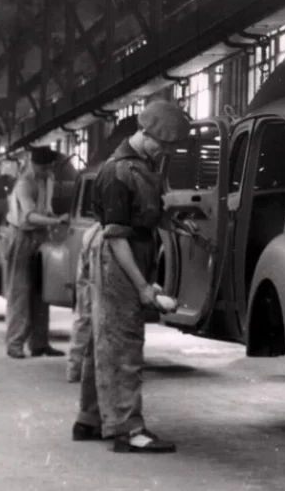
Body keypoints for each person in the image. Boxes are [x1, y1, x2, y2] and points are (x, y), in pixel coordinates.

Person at [73, 100, 188, 454]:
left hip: (133, 250)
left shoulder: (144, 166)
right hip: (118, 257)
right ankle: (128, 430)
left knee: (104, 338)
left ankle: (90, 419)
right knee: (123, 342)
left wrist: (172, 217)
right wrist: (142, 286)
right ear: (147, 133)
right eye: (164, 145)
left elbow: (143, 215)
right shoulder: (117, 172)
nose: (166, 152)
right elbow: (116, 237)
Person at [3, 146, 69, 359]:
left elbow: (45, 209)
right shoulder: (24, 183)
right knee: (20, 292)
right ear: (36, 164)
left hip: (41, 237)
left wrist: (55, 217)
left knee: (41, 291)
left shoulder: (47, 179)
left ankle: (39, 343)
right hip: (22, 237)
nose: (50, 170)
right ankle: (15, 343)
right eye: (46, 167)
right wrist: (55, 221)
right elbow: (29, 217)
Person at [67, 221, 101, 383]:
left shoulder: (92, 233)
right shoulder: (98, 235)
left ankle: (75, 367)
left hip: (88, 271)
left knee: (84, 317)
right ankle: (77, 368)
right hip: (92, 271)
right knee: (86, 318)